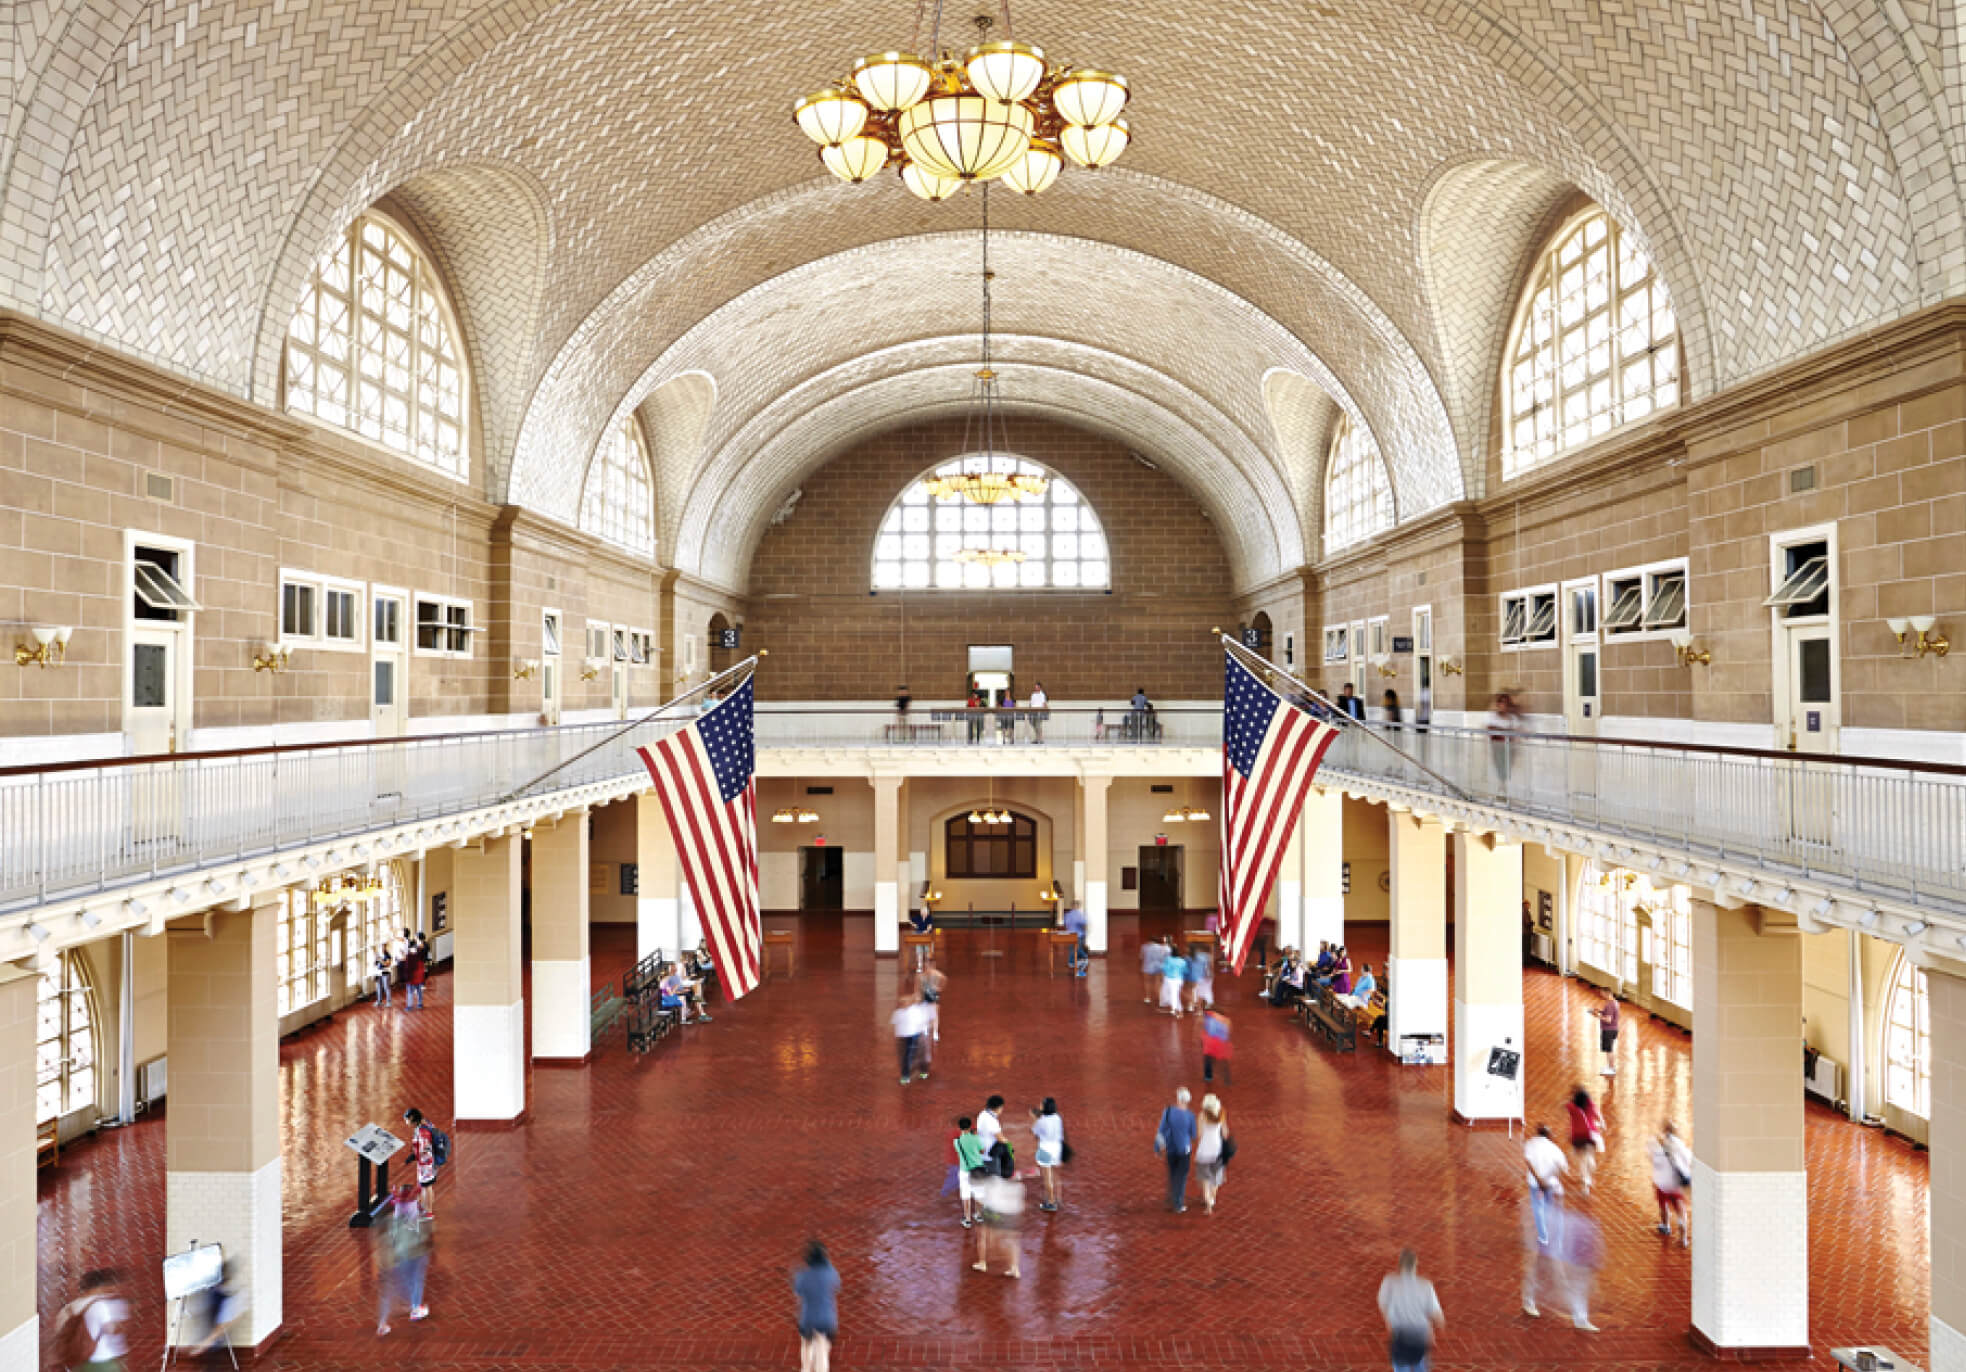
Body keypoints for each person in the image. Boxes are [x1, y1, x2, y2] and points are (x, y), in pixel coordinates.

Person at [375, 1180, 431, 1335]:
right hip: (413, 1252)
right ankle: (415, 1308)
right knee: (416, 1280)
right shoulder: (413, 1212)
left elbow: (390, 1238)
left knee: (390, 1290)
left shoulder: (394, 1217)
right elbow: (420, 1232)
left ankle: (383, 1323)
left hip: (398, 1255)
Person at [1378, 1249, 1444, 1372]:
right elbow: (1437, 1315)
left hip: (1399, 1335)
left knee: (1401, 1367)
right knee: (1420, 1365)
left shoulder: (1389, 1281)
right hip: (1419, 1336)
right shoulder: (1426, 1285)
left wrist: (1388, 1320)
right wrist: (1434, 1328)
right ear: (1415, 1266)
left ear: (1399, 1265)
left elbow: (1383, 1303)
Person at [55, 1268, 130, 1371]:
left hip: (75, 1363)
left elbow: (60, 1335)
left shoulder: (66, 1310)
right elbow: (111, 1330)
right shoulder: (99, 1306)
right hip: (101, 1361)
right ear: (98, 1287)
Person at [794, 1241, 841, 1372]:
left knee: (806, 1344)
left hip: (807, 1319)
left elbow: (798, 1291)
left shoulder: (802, 1275)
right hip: (827, 1319)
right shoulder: (831, 1272)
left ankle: (806, 1368)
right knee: (823, 1347)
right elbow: (836, 1286)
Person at [973, 1163, 1025, 1278]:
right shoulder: (1018, 1186)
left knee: (982, 1236)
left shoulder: (991, 1182)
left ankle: (982, 1262)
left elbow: (983, 1201)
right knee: (1013, 1242)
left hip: (994, 1213)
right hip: (1013, 1214)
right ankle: (1015, 1268)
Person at [1523, 1123, 1568, 1248]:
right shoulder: (1555, 1149)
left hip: (1534, 1183)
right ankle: (1556, 1237)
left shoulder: (1530, 1144)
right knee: (1551, 1207)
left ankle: (1543, 1237)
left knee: (1538, 1208)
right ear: (1549, 1135)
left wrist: (1538, 1179)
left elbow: (1527, 1161)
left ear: (1538, 1133)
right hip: (1550, 1184)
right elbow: (1561, 1169)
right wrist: (1547, 1179)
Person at [1154, 1086, 1197, 1213]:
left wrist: (1158, 1147)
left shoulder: (1167, 1111)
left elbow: (1161, 1130)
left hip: (1170, 1149)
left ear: (1178, 1099)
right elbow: (1193, 1135)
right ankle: (1178, 1203)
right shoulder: (1190, 1116)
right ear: (1187, 1100)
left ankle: (1172, 1197)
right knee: (1181, 1177)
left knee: (1173, 1174)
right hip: (1184, 1150)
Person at [1650, 1121, 1693, 1245]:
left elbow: (1655, 1163)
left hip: (1662, 1185)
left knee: (1663, 1206)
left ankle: (1665, 1225)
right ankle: (1683, 1239)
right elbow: (1688, 1160)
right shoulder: (1680, 1145)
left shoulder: (1659, 1147)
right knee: (1681, 1211)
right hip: (1676, 1185)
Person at [1194, 1093, 1231, 1214]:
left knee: (1205, 1180)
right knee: (1215, 1179)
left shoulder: (1202, 1115)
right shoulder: (1221, 1114)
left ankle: (1208, 1204)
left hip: (1204, 1150)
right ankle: (1212, 1199)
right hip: (1217, 1150)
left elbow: (1199, 1134)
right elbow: (1225, 1133)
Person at [1566, 1087, 1605, 1194]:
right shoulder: (1590, 1104)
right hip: (1591, 1135)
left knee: (1582, 1160)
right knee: (1590, 1157)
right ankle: (1590, 1175)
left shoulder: (1571, 1107)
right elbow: (1598, 1113)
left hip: (1577, 1137)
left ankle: (1585, 1184)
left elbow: (1566, 1104)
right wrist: (1602, 1122)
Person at [1031, 1099, 1066, 1212]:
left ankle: (1051, 1202)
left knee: (1047, 1178)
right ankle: (1057, 1196)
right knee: (1054, 1174)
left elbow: (1035, 1133)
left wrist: (1035, 1119)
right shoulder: (1057, 1117)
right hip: (1057, 1149)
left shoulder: (1041, 1121)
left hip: (1045, 1150)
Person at [403, 1107, 440, 1208]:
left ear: (411, 1118)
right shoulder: (426, 1123)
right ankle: (426, 1205)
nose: (406, 1122)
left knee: (426, 1186)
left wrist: (413, 1156)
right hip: (430, 1161)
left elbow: (424, 1148)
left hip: (426, 1163)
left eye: (406, 1119)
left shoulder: (422, 1132)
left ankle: (428, 1210)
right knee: (427, 1185)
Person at [892, 993, 929, 1085]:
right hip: (902, 1037)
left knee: (914, 1055)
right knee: (905, 1056)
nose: (902, 1005)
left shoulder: (915, 1011)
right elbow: (895, 1023)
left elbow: (922, 1023)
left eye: (904, 1003)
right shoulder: (898, 1012)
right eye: (901, 1003)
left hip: (914, 1036)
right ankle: (906, 1074)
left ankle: (919, 1072)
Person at [1486, 691, 1519, 787]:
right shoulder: (1493, 716)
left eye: (1506, 703)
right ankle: (1501, 786)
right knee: (1499, 766)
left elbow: (1516, 730)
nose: (1503, 706)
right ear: (1498, 704)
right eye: (1501, 703)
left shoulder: (1512, 717)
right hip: (1497, 747)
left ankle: (1504, 786)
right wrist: (1503, 731)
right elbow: (1490, 729)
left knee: (1507, 766)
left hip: (1509, 747)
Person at [1591, 989, 1620, 1076]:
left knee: (1609, 1050)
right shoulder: (1615, 1002)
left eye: (1602, 994)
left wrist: (1598, 1016)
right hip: (1613, 1029)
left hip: (1608, 1030)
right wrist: (1600, 1011)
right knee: (1609, 1049)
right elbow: (1609, 1014)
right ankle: (1610, 1067)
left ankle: (1611, 1069)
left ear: (1607, 993)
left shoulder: (1610, 1005)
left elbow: (1608, 1020)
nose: (1602, 996)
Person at [1201, 1008, 1234, 1084]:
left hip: (1213, 1043)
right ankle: (1226, 1079)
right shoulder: (1225, 1020)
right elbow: (1227, 1033)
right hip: (1218, 1043)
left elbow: (1207, 1029)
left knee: (1209, 1059)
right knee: (1222, 1061)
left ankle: (1209, 1077)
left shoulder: (1211, 1017)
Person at [1160, 940, 1187, 1016]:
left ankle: (1175, 1009)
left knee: (1171, 993)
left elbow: (1165, 968)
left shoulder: (1168, 959)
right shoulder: (1182, 961)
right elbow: (1185, 970)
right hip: (1179, 979)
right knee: (1175, 993)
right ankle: (1176, 1008)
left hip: (1169, 979)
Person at [1063, 900, 1088, 976]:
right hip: (1079, 935)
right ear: (1077, 906)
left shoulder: (1068, 915)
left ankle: (1071, 962)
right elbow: (1084, 923)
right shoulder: (1079, 914)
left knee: (1072, 948)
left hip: (1070, 934)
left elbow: (1066, 923)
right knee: (1078, 948)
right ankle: (1080, 961)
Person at [1141, 933, 1168, 1004]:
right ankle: (1160, 998)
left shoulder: (1144, 947)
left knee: (1147, 982)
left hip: (1147, 967)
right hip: (1159, 967)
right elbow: (1165, 957)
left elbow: (1141, 957)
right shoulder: (1161, 948)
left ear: (1149, 940)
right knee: (1158, 983)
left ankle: (1148, 997)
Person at [402, 937, 428, 1010]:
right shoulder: (419, 954)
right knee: (418, 989)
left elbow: (408, 967)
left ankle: (409, 1006)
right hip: (418, 976)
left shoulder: (409, 955)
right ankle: (420, 1004)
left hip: (411, 976)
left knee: (410, 991)